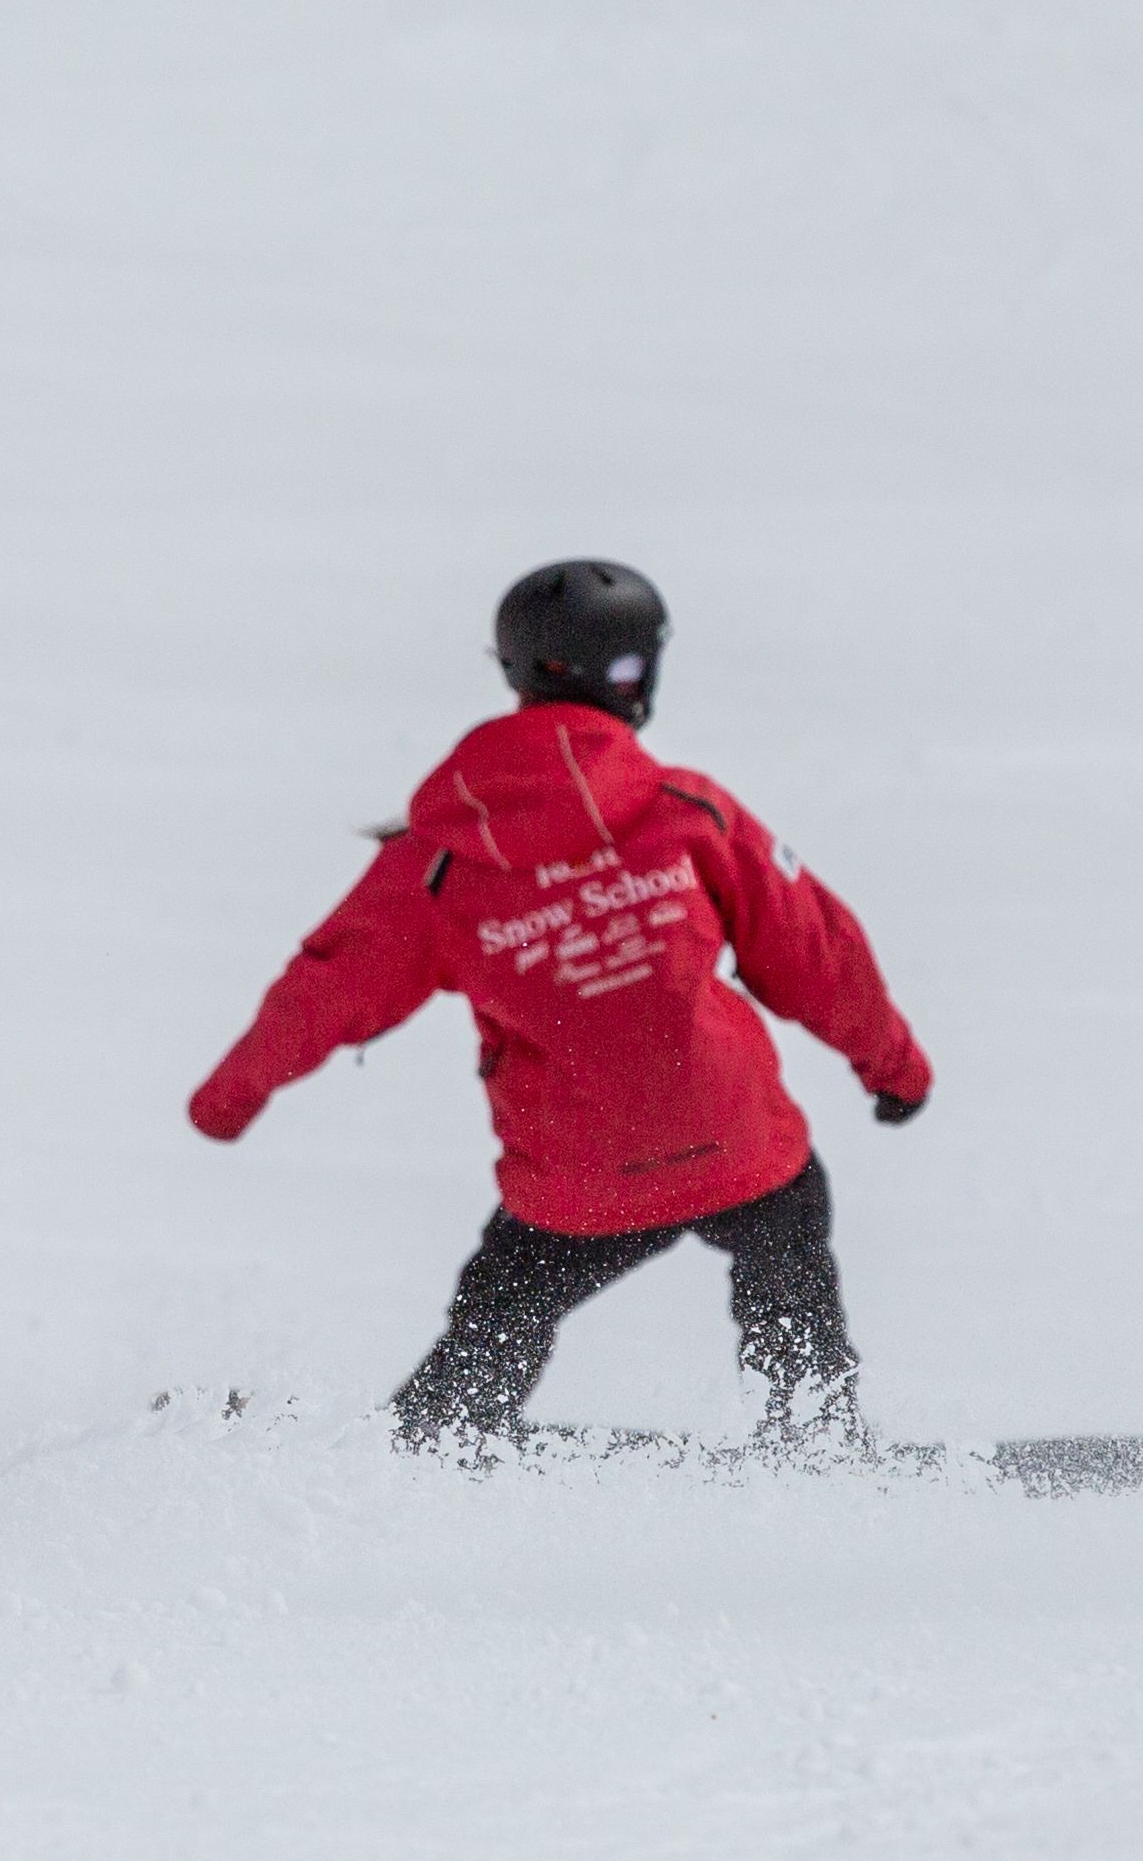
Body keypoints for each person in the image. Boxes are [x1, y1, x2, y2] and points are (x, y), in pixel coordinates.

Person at [186, 559, 937, 1457]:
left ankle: (442, 1434)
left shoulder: (438, 861)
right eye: (628, 670)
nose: (638, 689)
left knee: (504, 1304)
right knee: (788, 1253)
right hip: (739, 1145)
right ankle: (817, 1428)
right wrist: (895, 1069)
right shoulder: (686, 810)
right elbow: (816, 951)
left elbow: (329, 986)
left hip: (576, 1176)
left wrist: (230, 1098)